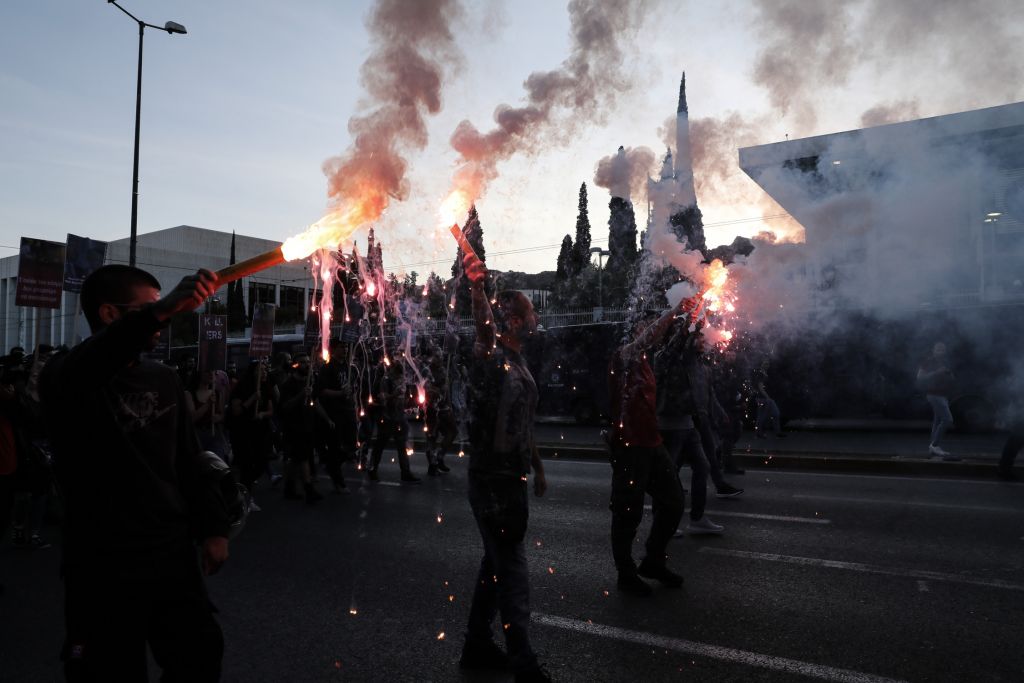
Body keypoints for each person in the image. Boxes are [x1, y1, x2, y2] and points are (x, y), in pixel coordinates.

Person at [39, 264, 229, 681]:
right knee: (108, 671)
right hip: (102, 563)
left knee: (199, 656)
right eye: (149, 309)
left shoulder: (163, 379)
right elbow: (93, 361)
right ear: (109, 315)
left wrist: (213, 528)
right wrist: (160, 310)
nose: (164, 318)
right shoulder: (65, 377)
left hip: (170, 555)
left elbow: (188, 460)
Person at [457, 250, 550, 683]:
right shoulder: (491, 355)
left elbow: (522, 421)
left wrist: (538, 467)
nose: (534, 317)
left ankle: (476, 645)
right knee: (511, 569)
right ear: (513, 319)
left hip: (513, 478)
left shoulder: (520, 361)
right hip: (491, 480)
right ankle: (523, 662)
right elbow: (481, 329)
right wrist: (477, 286)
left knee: (495, 564)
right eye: (529, 310)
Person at [608, 304, 687, 597]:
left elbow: (665, 339)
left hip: (652, 443)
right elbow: (648, 339)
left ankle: (653, 560)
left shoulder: (645, 360)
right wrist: (672, 312)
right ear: (635, 328)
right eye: (647, 324)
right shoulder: (622, 355)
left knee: (674, 501)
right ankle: (625, 573)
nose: (652, 329)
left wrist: (693, 310)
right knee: (628, 511)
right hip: (629, 446)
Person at [655, 329, 743, 538]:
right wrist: (689, 322)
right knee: (668, 474)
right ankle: (663, 522)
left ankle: (697, 519)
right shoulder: (671, 358)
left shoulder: (698, 363)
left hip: (690, 422)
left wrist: (718, 413)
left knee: (703, 466)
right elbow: (676, 347)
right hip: (671, 424)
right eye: (699, 338)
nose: (704, 341)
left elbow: (707, 392)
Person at [277, 353, 327, 502]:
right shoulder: (288, 384)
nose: (306, 365)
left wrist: (326, 419)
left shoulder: (309, 381)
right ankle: (308, 489)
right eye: (303, 362)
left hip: (307, 426)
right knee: (303, 457)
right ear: (295, 365)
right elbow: (284, 407)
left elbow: (315, 401)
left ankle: (289, 487)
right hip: (294, 427)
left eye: (307, 362)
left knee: (296, 459)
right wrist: (300, 395)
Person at [368, 361, 419, 483]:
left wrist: (407, 401)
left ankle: (405, 473)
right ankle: (372, 470)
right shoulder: (386, 380)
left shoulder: (402, 379)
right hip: (387, 419)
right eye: (398, 373)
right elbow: (382, 399)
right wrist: (393, 395)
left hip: (399, 418)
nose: (400, 377)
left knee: (402, 446)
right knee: (380, 445)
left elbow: (405, 398)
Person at [917, 342, 957, 458]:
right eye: (938, 350)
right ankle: (935, 445)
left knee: (937, 421)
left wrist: (950, 376)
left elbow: (949, 377)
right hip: (934, 395)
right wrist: (936, 373)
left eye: (943, 350)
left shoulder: (945, 362)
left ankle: (933, 447)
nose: (941, 352)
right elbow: (920, 378)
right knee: (948, 419)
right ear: (933, 350)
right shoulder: (928, 362)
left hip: (943, 395)